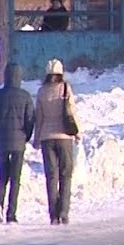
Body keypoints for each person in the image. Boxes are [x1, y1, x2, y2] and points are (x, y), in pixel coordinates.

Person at [0, 63, 35, 224]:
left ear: (6, 76)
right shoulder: (25, 96)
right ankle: (11, 213)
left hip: (1, 140)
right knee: (15, 178)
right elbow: (30, 120)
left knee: (3, 175)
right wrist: (25, 136)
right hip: (19, 141)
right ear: (19, 77)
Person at [33, 58, 81, 225]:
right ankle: (64, 212)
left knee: (51, 176)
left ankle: (53, 215)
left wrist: (36, 138)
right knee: (66, 175)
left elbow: (38, 118)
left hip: (47, 138)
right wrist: (78, 132)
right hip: (64, 137)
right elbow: (72, 112)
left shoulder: (41, 92)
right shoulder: (66, 88)